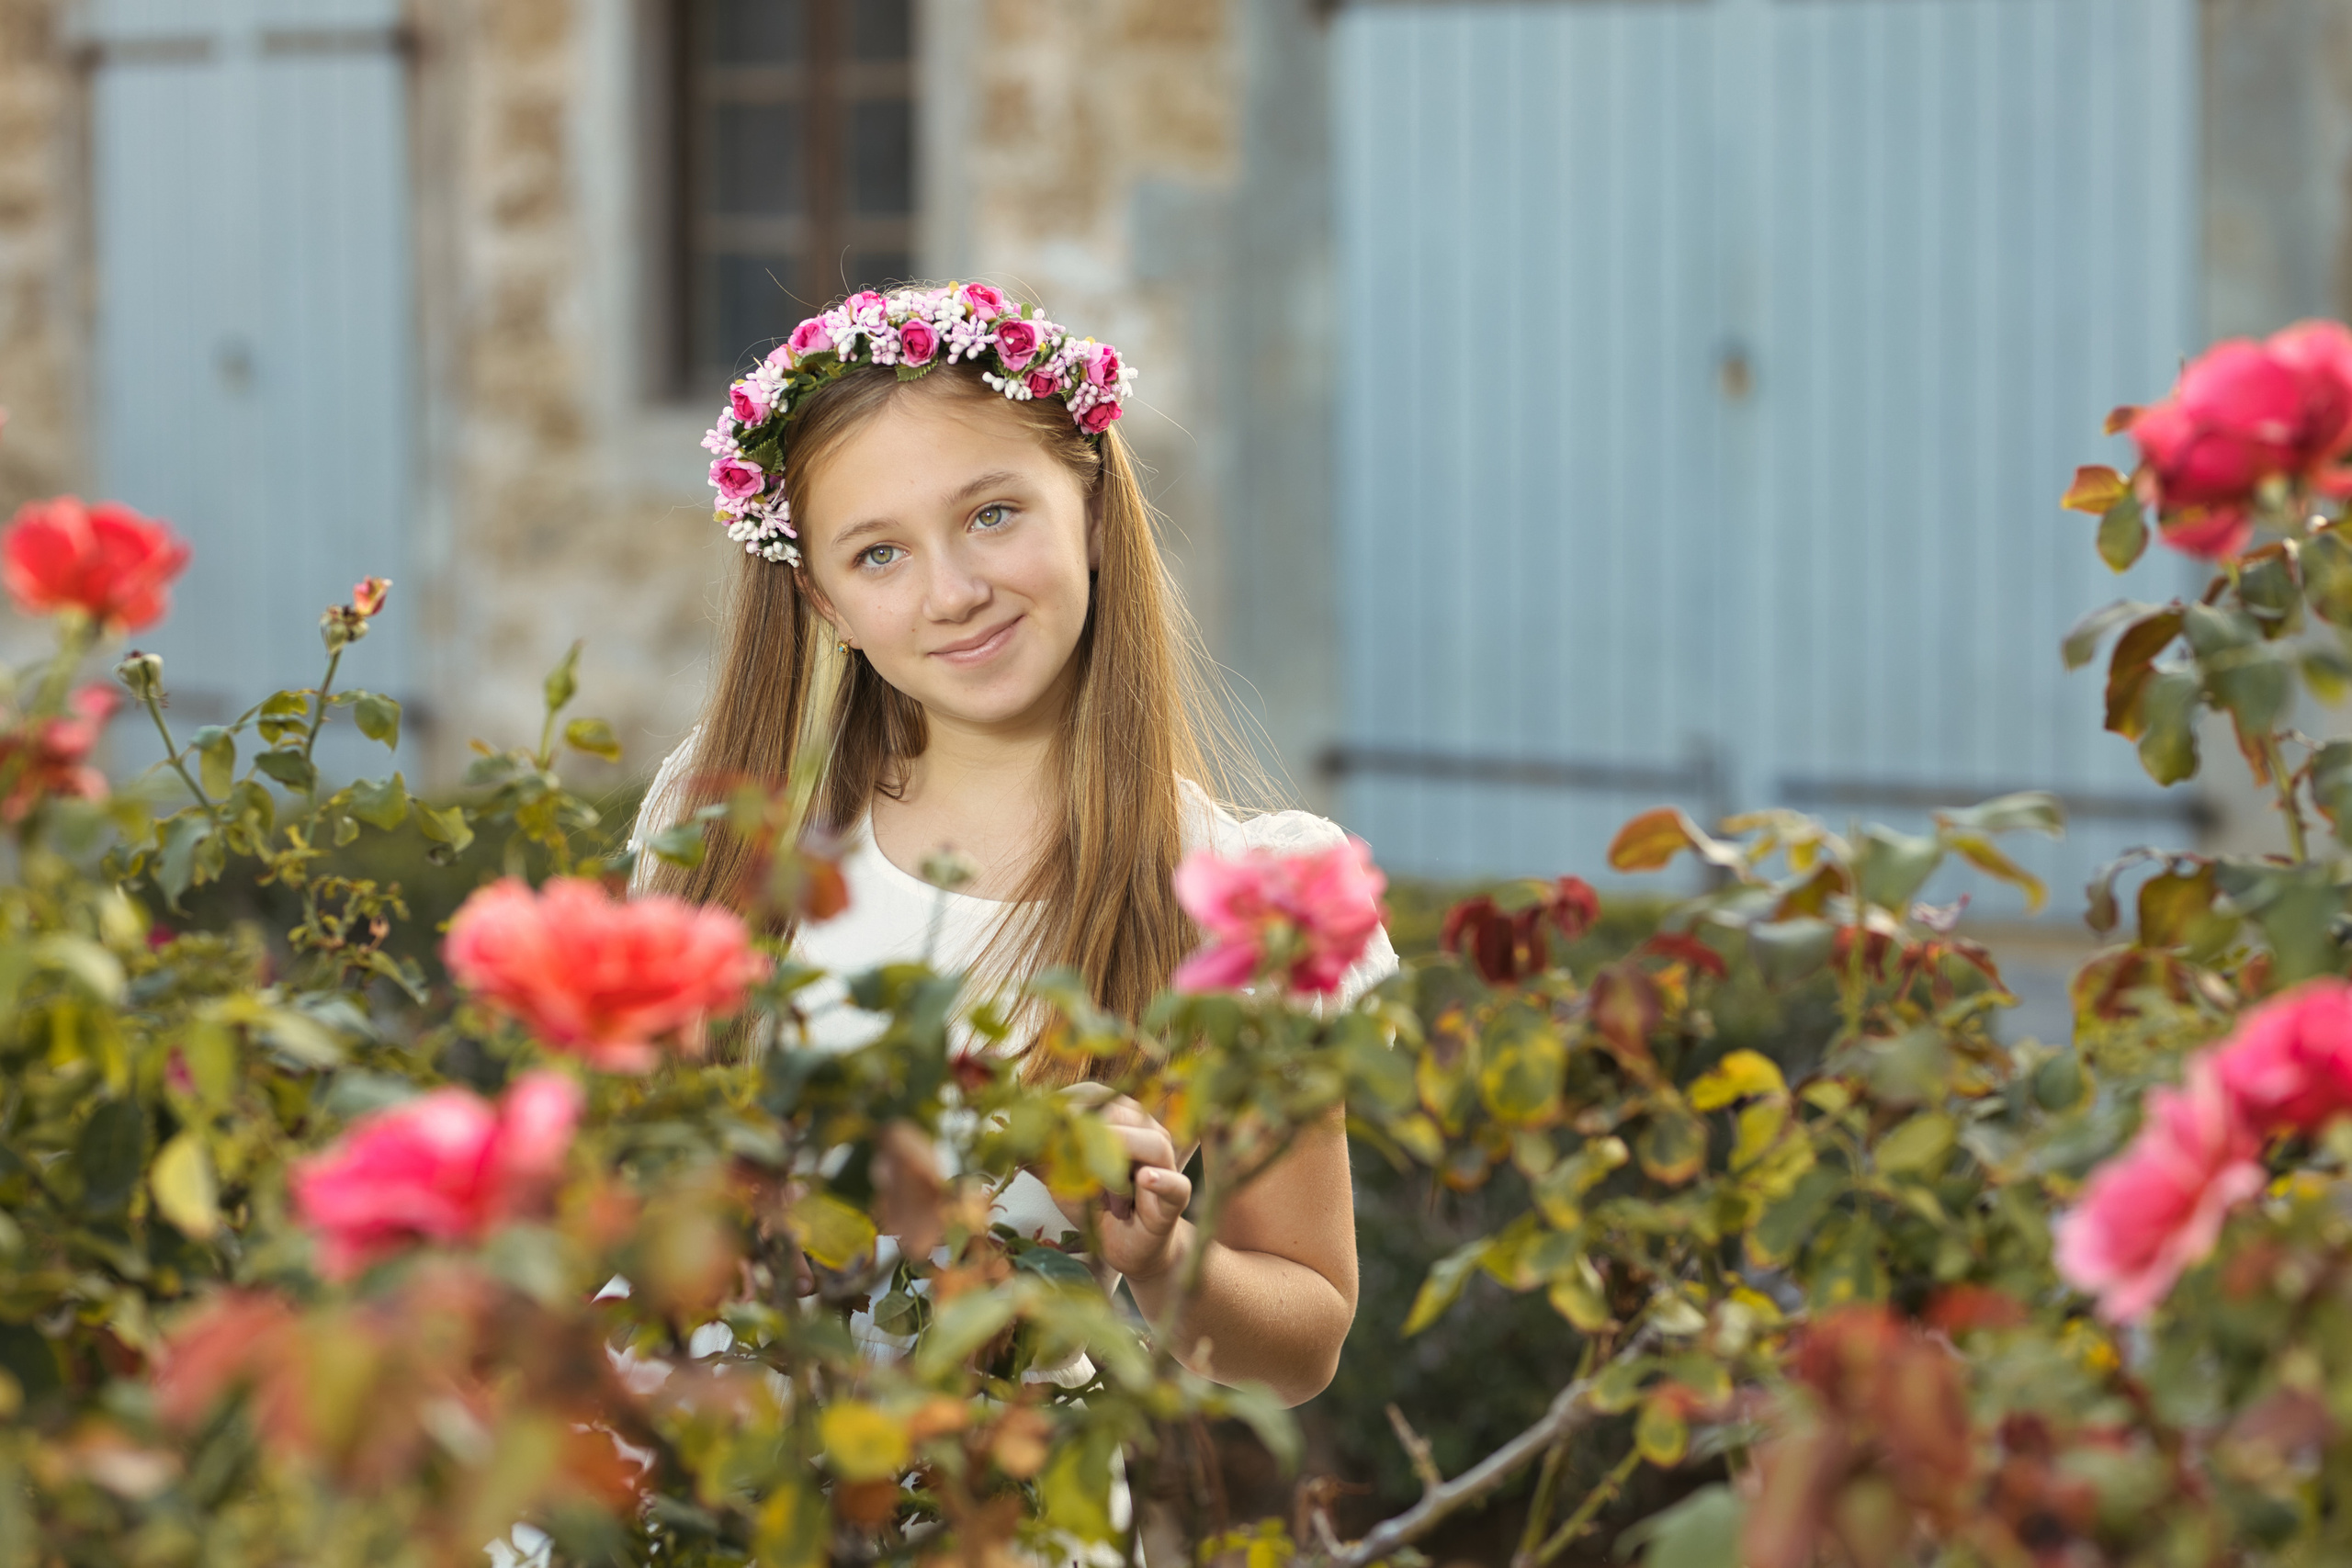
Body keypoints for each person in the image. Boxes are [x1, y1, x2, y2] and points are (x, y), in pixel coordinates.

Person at [631, 283, 1395, 1408]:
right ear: (823, 601)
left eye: (992, 515)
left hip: (986, 1484)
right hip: (666, 1466)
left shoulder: (1251, 897)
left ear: (1091, 510)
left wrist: (1160, 1257)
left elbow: (1300, 1347)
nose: (953, 593)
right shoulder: (730, 820)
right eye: (878, 555)